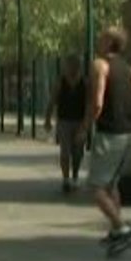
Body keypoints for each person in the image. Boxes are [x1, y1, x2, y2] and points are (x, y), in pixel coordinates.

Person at [75, 27, 131, 257]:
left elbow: (98, 103)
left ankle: (123, 229)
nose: (98, 38)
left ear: (109, 42)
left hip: (109, 134)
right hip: (128, 134)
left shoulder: (100, 65)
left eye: (101, 36)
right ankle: (115, 231)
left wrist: (84, 128)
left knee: (96, 188)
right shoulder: (129, 69)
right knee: (112, 185)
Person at [44, 55, 87, 194]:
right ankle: (66, 179)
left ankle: (75, 176)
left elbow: (89, 104)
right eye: (69, 65)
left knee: (78, 152)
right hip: (64, 122)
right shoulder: (60, 82)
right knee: (65, 151)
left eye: (75, 65)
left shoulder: (85, 82)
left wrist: (88, 123)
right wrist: (48, 119)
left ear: (79, 66)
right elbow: (52, 101)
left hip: (80, 121)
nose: (71, 68)